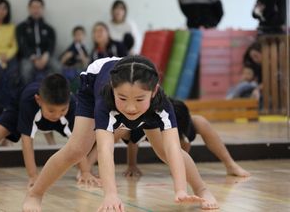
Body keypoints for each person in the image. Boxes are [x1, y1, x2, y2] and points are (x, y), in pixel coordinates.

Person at [22, 55, 219, 212]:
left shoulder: (161, 104)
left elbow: (173, 147)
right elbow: (105, 149)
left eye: (139, 99)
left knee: (164, 150)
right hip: (93, 83)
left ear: (154, 91)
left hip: (138, 92)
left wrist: (180, 190)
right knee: (76, 150)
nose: (131, 108)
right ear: (114, 90)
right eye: (123, 98)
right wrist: (110, 194)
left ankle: (202, 189)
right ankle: (35, 194)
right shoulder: (105, 100)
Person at [0, 74, 77, 187]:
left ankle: (85, 170)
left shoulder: (71, 104)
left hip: (56, 114)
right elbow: (26, 141)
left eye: (63, 110)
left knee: (88, 136)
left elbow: (77, 142)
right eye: (51, 111)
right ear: (38, 100)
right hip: (19, 110)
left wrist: (85, 172)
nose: (57, 115)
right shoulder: (28, 100)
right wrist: (33, 175)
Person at [120, 98, 250, 177]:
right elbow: (133, 142)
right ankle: (99, 165)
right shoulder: (152, 122)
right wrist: (132, 165)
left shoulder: (185, 126)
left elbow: (186, 143)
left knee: (201, 121)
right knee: (121, 130)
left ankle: (230, 164)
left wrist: (177, 166)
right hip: (137, 129)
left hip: (178, 131)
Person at [16, 0, 61, 85]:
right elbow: (22, 45)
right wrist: (33, 57)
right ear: (29, 9)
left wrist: (46, 56)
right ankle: (28, 94)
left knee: (57, 67)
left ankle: (54, 94)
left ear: (42, 9)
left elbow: (52, 45)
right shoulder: (21, 27)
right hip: (29, 58)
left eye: (38, 7)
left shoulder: (49, 29)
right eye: (33, 7)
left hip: (46, 57)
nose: (36, 10)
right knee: (26, 69)